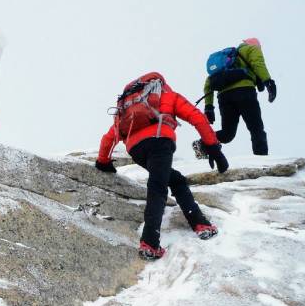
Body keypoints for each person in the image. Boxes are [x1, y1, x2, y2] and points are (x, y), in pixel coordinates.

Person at [95, 73, 225, 261]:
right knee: (157, 187)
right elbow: (197, 117)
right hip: (160, 142)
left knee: (176, 180)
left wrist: (103, 161)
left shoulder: (128, 106)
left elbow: (110, 137)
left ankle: (199, 222)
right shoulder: (167, 95)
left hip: (137, 150)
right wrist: (213, 148)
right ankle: (150, 243)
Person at [203, 37, 276, 155]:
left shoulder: (227, 60)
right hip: (244, 92)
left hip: (224, 97)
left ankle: (203, 143)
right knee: (256, 128)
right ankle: (262, 160)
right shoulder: (251, 49)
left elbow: (209, 83)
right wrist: (268, 81)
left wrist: (209, 107)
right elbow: (258, 63)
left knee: (227, 134)